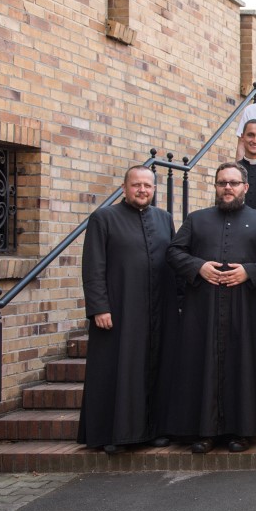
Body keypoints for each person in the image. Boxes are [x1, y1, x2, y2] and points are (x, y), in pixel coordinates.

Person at [163, 163, 256, 454]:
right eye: (222, 183)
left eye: (233, 183)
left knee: (244, 366)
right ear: (216, 186)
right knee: (201, 366)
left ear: (245, 187)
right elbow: (174, 251)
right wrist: (198, 266)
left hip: (247, 309)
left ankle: (242, 431)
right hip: (202, 309)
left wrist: (249, 271)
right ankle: (204, 432)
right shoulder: (196, 219)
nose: (227, 188)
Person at [77, 166, 177, 454]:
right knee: (116, 370)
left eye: (147, 185)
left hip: (157, 309)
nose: (142, 190)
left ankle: (153, 430)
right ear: (124, 188)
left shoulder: (164, 218)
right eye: (136, 185)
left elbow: (172, 262)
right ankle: (112, 434)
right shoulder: (103, 218)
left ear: (154, 189)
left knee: (154, 367)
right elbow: (93, 266)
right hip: (119, 309)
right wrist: (99, 307)